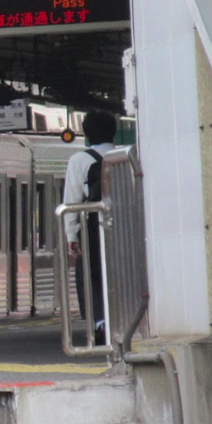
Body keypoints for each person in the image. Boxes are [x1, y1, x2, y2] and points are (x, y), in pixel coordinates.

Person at [62, 110, 117, 343]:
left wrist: (71, 235)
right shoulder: (125, 155)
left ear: (87, 134)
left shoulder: (80, 160)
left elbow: (72, 201)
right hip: (128, 223)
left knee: (92, 274)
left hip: (95, 228)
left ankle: (100, 322)